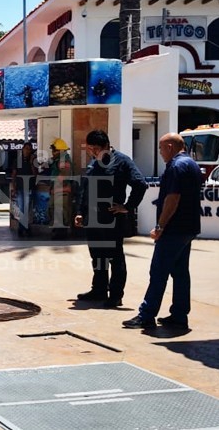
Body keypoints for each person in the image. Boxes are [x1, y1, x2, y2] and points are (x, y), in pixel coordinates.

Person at [123, 133, 201, 329]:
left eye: (160, 148)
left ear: (169, 146)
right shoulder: (191, 164)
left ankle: (146, 315)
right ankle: (179, 315)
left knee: (158, 272)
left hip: (173, 229)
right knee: (181, 273)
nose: (159, 152)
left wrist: (160, 226)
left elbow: (172, 198)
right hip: (188, 227)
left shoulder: (176, 166)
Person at [74, 130, 148, 308]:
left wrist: (127, 207)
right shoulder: (94, 163)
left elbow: (140, 184)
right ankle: (98, 290)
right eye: (90, 149)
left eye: (97, 149)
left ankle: (115, 295)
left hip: (111, 220)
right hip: (92, 220)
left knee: (115, 258)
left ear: (107, 145)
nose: (93, 152)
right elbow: (85, 189)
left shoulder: (122, 161)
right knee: (97, 256)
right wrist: (80, 212)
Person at [48, 138, 74, 239]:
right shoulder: (60, 160)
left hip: (62, 192)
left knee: (60, 214)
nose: (52, 153)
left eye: (54, 150)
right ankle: (57, 232)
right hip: (57, 191)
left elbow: (64, 175)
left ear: (60, 150)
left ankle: (60, 235)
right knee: (55, 212)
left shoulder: (64, 160)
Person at [10, 142, 36, 237]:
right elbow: (14, 174)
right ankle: (23, 228)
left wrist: (31, 163)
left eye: (29, 149)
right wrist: (14, 187)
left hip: (29, 187)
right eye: (26, 148)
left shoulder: (33, 161)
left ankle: (24, 228)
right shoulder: (17, 161)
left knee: (27, 208)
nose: (27, 151)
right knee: (21, 208)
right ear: (23, 149)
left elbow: (35, 174)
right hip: (20, 188)